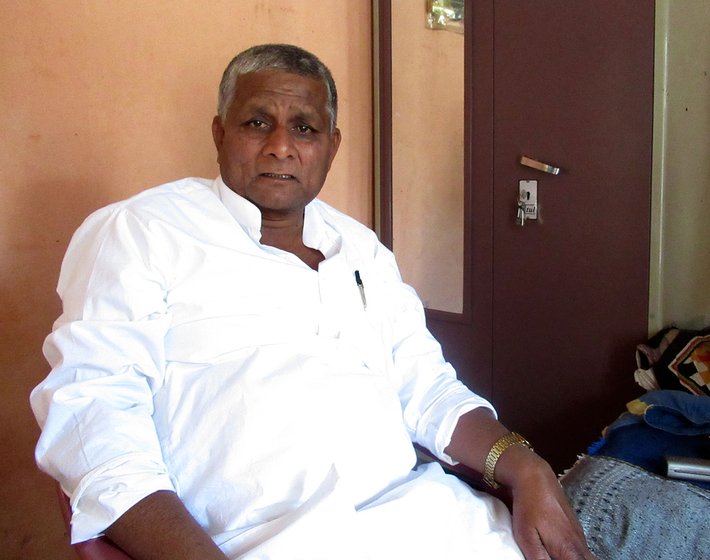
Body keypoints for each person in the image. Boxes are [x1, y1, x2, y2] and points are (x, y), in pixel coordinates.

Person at [31, 44, 595, 560]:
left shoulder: (363, 250)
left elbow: (426, 385)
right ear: (219, 133)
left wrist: (526, 466)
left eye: (304, 127)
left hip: (437, 526)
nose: (281, 145)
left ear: (331, 147)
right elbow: (93, 418)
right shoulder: (140, 232)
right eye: (257, 122)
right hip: (261, 543)